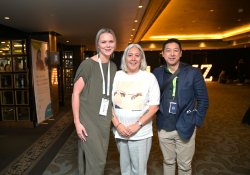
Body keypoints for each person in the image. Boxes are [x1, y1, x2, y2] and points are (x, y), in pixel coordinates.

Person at [153, 38, 209, 175]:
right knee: (168, 162)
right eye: (168, 50)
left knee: (184, 165)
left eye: (175, 50)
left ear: (181, 53)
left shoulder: (193, 72)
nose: (172, 54)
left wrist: (196, 121)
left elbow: (203, 100)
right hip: (164, 126)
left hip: (186, 126)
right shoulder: (157, 73)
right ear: (163, 54)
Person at [72, 28, 117, 175]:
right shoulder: (87, 65)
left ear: (115, 44)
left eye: (111, 41)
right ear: (97, 45)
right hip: (88, 121)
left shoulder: (113, 67)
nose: (108, 45)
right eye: (103, 42)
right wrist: (77, 122)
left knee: (96, 159)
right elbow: (75, 93)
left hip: (103, 121)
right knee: (97, 162)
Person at [112, 43, 160, 175]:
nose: (133, 58)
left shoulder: (149, 78)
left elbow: (154, 107)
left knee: (138, 170)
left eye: (137, 55)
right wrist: (117, 124)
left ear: (141, 59)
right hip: (119, 131)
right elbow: (108, 104)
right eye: (130, 55)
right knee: (125, 168)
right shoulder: (116, 76)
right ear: (125, 58)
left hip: (140, 133)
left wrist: (137, 125)